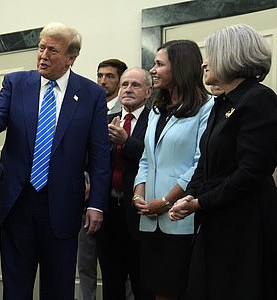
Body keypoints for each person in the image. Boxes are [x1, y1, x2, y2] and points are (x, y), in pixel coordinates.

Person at [0, 22, 111, 299]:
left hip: (62, 206)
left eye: (53, 50)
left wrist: (96, 203)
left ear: (71, 58)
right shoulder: (15, 82)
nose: (43, 55)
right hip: (17, 202)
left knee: (58, 288)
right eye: (41, 47)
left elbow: (99, 155)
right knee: (15, 287)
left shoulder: (91, 94)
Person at [169, 24, 277, 300]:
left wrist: (200, 202)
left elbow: (251, 172)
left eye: (211, 54)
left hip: (245, 227)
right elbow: (205, 163)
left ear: (232, 56)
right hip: (215, 221)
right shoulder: (222, 103)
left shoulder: (258, 100)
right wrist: (190, 194)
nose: (204, 62)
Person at [132, 40, 213, 300]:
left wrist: (166, 202)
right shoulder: (157, 109)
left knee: (176, 290)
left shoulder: (206, 107)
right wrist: (138, 195)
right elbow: (146, 158)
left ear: (179, 67)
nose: (152, 70)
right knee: (152, 289)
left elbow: (200, 163)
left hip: (180, 217)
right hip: (149, 218)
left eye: (159, 64)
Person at [97, 67, 152, 300]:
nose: (128, 89)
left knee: (142, 283)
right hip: (109, 213)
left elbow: (156, 159)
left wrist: (127, 142)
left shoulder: (157, 120)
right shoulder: (106, 120)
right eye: (125, 85)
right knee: (112, 282)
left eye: (135, 85)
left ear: (149, 92)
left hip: (140, 213)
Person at [78, 58, 128, 300]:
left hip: (116, 199)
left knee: (120, 268)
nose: (102, 81)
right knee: (85, 262)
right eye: (99, 75)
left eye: (109, 76)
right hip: (86, 197)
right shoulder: (88, 108)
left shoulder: (127, 111)